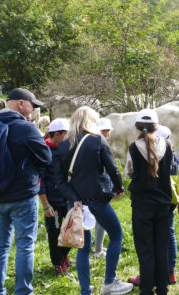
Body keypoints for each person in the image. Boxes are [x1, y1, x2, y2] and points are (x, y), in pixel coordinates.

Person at [56, 106, 131, 295]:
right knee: (116, 235)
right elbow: (112, 167)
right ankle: (109, 282)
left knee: (83, 247)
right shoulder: (97, 140)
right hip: (96, 199)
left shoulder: (64, 145)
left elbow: (59, 180)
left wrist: (73, 199)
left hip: (75, 203)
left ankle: (85, 290)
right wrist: (119, 187)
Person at [0, 88, 52, 295]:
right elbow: (46, 157)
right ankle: (23, 291)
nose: (34, 110)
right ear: (22, 103)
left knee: (0, 246)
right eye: (33, 105)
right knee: (24, 245)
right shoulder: (25, 128)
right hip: (23, 196)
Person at [127, 124, 179, 288]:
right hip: (163, 203)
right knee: (161, 248)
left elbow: (128, 172)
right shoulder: (167, 147)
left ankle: (146, 288)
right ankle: (162, 287)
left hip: (142, 204)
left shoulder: (134, 147)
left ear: (139, 128)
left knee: (145, 249)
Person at [39, 118, 72, 275]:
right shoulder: (44, 152)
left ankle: (63, 255)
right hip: (53, 200)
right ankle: (57, 262)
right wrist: (45, 204)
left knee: (70, 230)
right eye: (66, 134)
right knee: (55, 231)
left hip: (67, 198)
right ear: (57, 134)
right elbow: (41, 180)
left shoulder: (66, 149)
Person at [93, 117, 114, 258]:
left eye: (108, 130)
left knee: (98, 220)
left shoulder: (100, 142)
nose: (106, 133)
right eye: (104, 130)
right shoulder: (97, 144)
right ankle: (97, 250)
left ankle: (97, 247)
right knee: (100, 220)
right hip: (98, 189)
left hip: (102, 187)